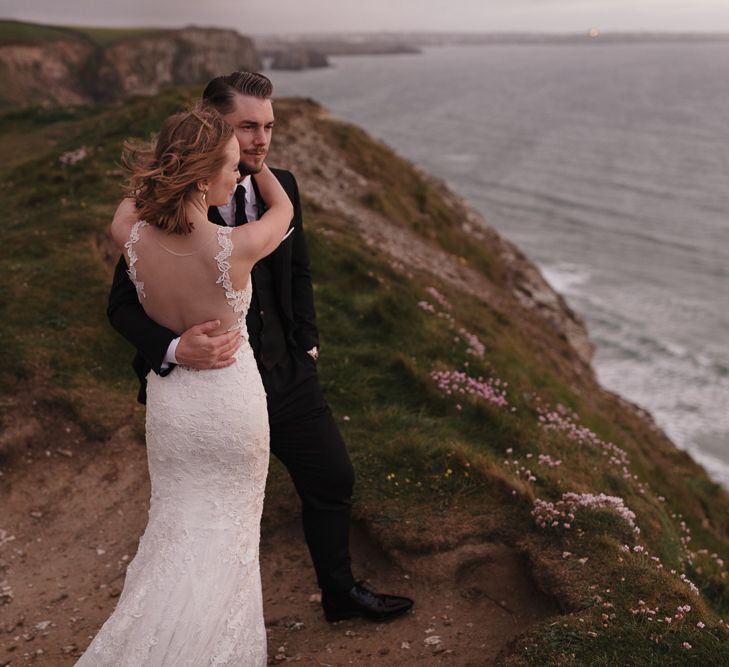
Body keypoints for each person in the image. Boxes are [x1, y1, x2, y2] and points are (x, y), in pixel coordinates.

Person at [107, 71, 413, 623]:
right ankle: (206, 619)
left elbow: (298, 274)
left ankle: (340, 594)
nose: (261, 139)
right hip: (205, 389)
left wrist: (308, 344)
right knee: (211, 513)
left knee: (332, 478)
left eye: (268, 126)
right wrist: (176, 348)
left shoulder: (283, 184)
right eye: (246, 127)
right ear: (210, 126)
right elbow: (122, 307)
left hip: (284, 372)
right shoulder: (158, 215)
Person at [78, 107, 293, 665]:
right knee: (229, 542)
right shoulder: (237, 246)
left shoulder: (129, 235)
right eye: (231, 165)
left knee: (174, 529)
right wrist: (262, 163)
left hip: (173, 411)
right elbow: (285, 208)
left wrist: (171, 161)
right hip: (230, 409)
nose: (239, 174)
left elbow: (130, 204)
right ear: (202, 177)